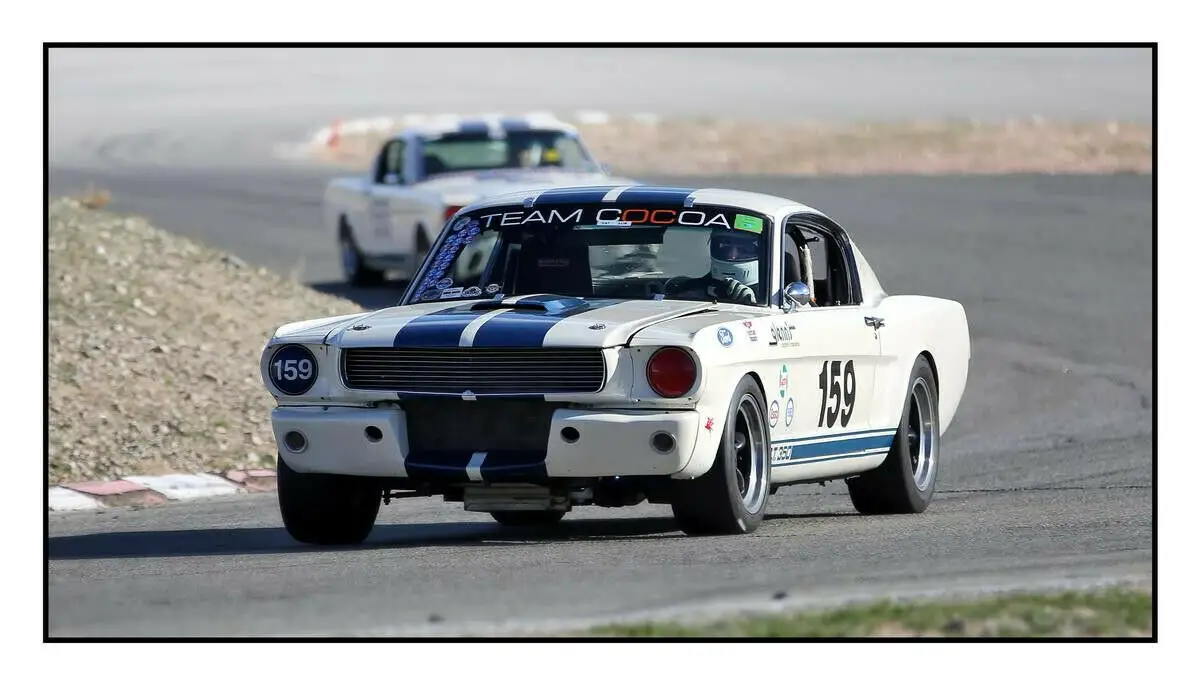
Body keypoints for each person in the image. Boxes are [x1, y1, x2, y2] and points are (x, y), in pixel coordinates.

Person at [665, 230, 761, 305]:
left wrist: (751, 305)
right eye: (725, 247)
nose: (732, 256)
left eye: (744, 250)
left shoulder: (771, 296)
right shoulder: (688, 289)